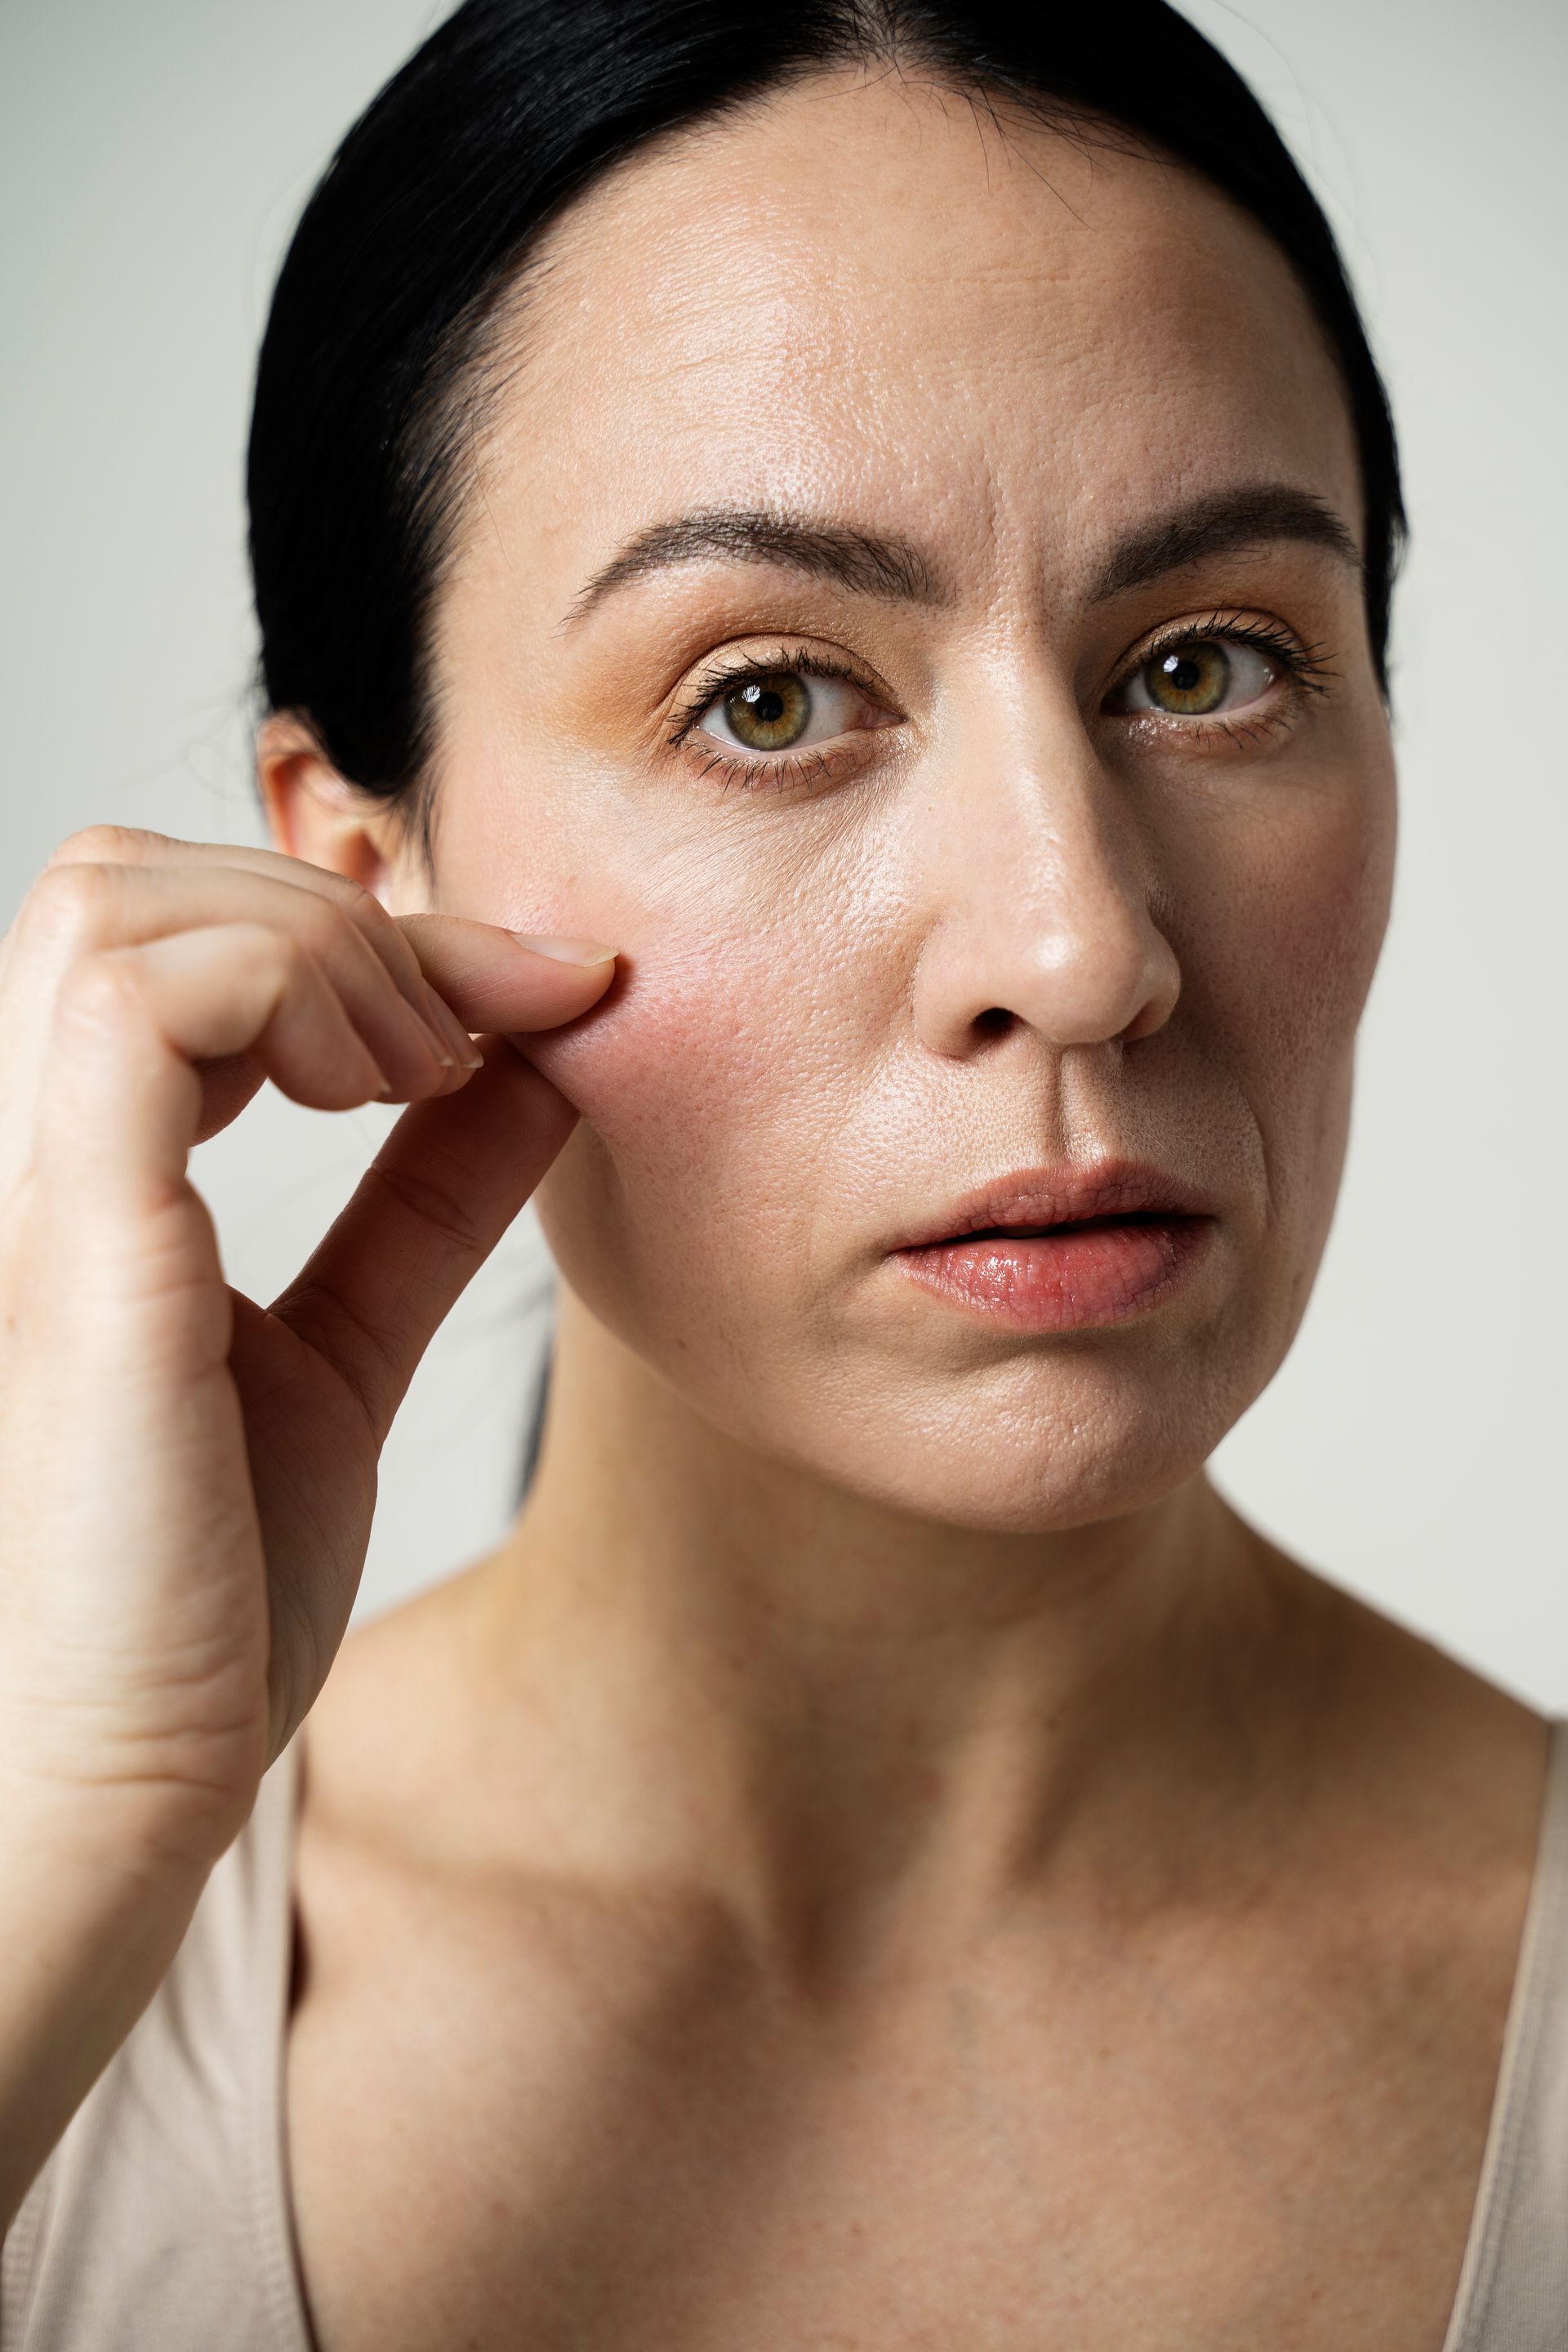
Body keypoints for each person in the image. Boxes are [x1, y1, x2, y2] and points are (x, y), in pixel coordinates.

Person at [2, 2, 1562, 2345]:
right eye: (768, 699)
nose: (1080, 949)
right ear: (363, 875)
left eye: (1206, 666)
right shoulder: (58, 1981)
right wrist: (78, 1815)